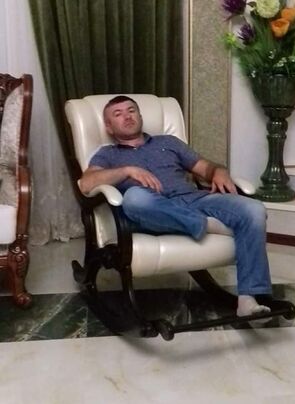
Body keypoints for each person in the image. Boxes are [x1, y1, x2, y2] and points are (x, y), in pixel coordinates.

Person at [79, 95, 273, 317]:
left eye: (131, 110)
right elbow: (86, 183)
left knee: (254, 208)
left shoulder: (168, 142)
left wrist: (219, 171)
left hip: (194, 199)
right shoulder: (107, 154)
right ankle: (207, 225)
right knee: (134, 198)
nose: (127, 116)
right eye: (118, 114)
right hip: (153, 211)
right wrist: (127, 170)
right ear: (109, 127)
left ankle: (248, 299)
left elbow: (205, 168)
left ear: (140, 116)